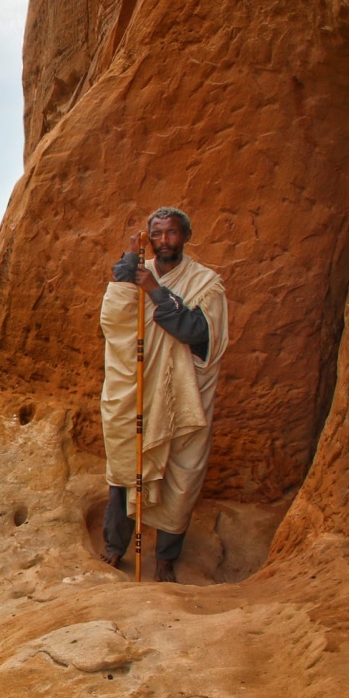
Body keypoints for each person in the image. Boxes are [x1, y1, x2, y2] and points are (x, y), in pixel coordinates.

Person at [98, 206, 229, 582]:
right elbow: (114, 326)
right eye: (157, 234)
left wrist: (153, 291)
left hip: (182, 401)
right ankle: (114, 546)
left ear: (186, 237)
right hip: (138, 391)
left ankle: (166, 558)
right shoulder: (137, 273)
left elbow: (196, 332)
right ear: (148, 238)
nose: (165, 241)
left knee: (181, 476)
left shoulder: (206, 284)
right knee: (127, 467)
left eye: (172, 234)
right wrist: (123, 284)